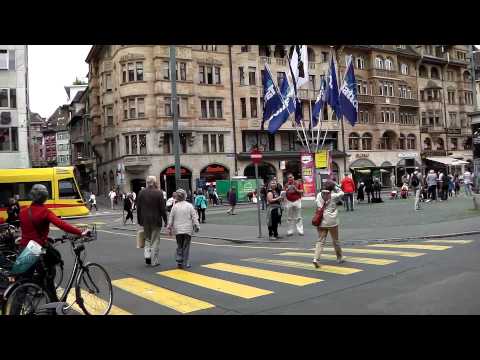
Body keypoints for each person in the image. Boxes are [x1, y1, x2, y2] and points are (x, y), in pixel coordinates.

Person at [19, 184, 89, 301]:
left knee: (22, 284)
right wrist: (80, 232)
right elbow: (61, 224)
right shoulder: (45, 212)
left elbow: (30, 230)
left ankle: (14, 308)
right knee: (51, 270)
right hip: (37, 248)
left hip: (24, 248)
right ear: (45, 197)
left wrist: (44, 237)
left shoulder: (23, 211)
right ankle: (52, 306)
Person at [313, 180, 345, 268]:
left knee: (320, 240)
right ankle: (339, 257)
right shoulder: (333, 195)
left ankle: (316, 259)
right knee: (335, 240)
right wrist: (336, 187)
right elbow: (342, 193)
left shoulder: (319, 195)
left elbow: (317, 204)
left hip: (320, 220)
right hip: (331, 221)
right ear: (332, 188)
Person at [136, 176, 168, 266]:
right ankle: (154, 261)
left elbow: (138, 208)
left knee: (147, 239)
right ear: (154, 182)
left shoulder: (141, 193)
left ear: (147, 182)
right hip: (156, 220)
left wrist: (139, 220)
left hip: (145, 220)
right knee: (155, 240)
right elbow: (162, 209)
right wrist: (166, 220)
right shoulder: (159, 193)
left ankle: (147, 256)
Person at [167, 189, 200, 269]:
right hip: (187, 229)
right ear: (185, 196)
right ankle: (186, 261)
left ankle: (179, 260)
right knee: (186, 246)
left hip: (178, 229)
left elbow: (171, 217)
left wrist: (169, 227)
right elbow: (194, 217)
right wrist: (197, 226)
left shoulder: (175, 206)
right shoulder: (189, 205)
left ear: (177, 197)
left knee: (179, 245)